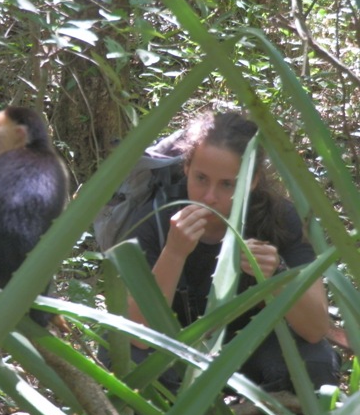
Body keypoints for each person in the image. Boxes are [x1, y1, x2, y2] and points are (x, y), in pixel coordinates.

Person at [115, 111, 340, 392]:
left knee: (316, 361)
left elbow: (315, 329)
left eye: (227, 184)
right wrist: (174, 252)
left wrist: (277, 275)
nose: (210, 196)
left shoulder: (279, 220)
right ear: (186, 168)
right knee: (121, 359)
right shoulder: (157, 219)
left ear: (252, 180)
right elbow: (137, 335)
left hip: (253, 351)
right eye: (200, 178)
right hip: (178, 350)